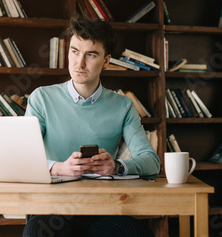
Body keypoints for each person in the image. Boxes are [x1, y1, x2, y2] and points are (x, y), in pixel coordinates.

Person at [23, 17, 160, 237]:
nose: (79, 63)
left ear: (106, 61)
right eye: (75, 51)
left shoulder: (123, 106)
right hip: (51, 207)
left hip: (103, 208)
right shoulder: (42, 98)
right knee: (38, 232)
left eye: (91, 55)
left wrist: (116, 166)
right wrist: (59, 168)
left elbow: (151, 162)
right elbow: (23, 157)